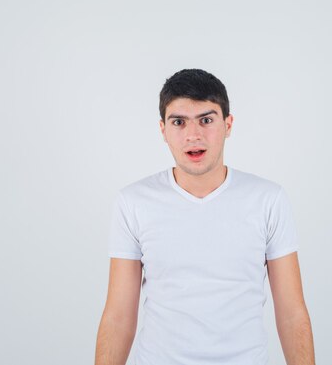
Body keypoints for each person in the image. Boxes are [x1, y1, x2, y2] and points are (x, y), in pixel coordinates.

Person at [95, 69, 315, 365]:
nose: (193, 135)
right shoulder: (133, 202)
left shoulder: (268, 199)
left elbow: (291, 313)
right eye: (179, 122)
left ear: (228, 124)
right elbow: (119, 317)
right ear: (163, 130)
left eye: (206, 120)